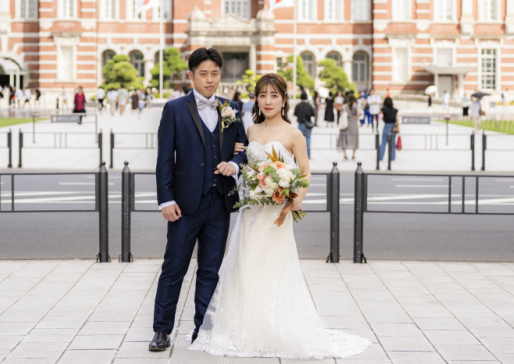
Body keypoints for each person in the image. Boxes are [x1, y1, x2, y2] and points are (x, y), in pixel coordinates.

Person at [190, 72, 370, 359]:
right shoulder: (250, 131)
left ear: (284, 99)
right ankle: (244, 330)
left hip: (277, 215)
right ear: (257, 100)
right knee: (245, 267)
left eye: (274, 95)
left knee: (272, 269)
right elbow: (244, 165)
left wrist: (297, 196)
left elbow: (305, 172)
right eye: (262, 95)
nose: (268, 101)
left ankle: (272, 329)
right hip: (251, 214)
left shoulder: (293, 133)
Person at [150, 48, 249, 352]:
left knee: (210, 269)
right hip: (183, 205)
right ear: (191, 75)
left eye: (215, 73)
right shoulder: (175, 109)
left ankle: (203, 329)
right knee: (174, 268)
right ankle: (162, 330)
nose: (210, 79)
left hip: (219, 203)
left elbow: (245, 150)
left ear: (221, 74)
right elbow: (165, 159)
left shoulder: (231, 108)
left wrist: (236, 163)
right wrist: (166, 200)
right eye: (203, 74)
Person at [337, 92, 360, 161]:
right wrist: (356, 116)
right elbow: (361, 112)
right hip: (353, 124)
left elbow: (341, 115)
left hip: (345, 124)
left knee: (344, 139)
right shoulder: (355, 106)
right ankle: (353, 156)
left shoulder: (344, 106)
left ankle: (345, 156)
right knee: (354, 139)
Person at [293, 91, 315, 158]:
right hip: (308, 124)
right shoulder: (309, 105)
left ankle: (300, 155)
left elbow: (295, 114)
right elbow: (313, 114)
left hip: (301, 124)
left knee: (300, 141)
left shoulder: (298, 105)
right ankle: (308, 155)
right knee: (308, 140)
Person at [378, 97, 398, 163]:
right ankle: (392, 157)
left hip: (386, 126)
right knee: (392, 143)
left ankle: (380, 157)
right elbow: (397, 120)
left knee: (383, 142)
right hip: (393, 126)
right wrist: (397, 127)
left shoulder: (384, 109)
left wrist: (382, 106)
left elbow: (378, 113)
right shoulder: (395, 110)